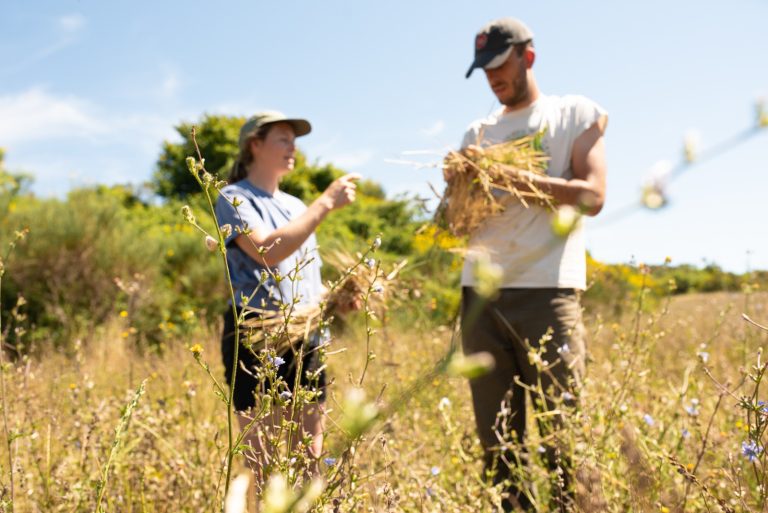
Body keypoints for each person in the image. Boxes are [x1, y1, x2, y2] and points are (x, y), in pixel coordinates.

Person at [455, 17, 608, 512]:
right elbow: (454, 228)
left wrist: (513, 178)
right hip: (479, 298)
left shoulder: (572, 114)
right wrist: (458, 183)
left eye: (500, 65)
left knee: (563, 437)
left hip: (547, 293)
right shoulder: (477, 133)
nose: (493, 77)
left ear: (528, 57)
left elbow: (592, 196)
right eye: (484, 69)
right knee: (499, 446)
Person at [215, 111, 359, 482]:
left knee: (310, 457)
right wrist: (325, 202)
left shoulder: (296, 206)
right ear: (255, 145)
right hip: (255, 333)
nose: (292, 146)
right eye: (282, 138)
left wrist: (336, 297)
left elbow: (302, 279)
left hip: (305, 334)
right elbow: (265, 251)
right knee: (264, 465)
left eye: (293, 140)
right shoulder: (233, 199)